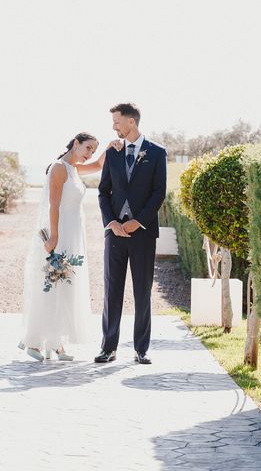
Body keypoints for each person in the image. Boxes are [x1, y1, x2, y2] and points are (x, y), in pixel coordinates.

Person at [18, 132, 121, 361]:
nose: (90, 154)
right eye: (87, 148)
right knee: (53, 284)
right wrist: (54, 236)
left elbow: (96, 165)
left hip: (75, 234)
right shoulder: (59, 168)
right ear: (76, 144)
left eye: (93, 149)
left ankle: (56, 343)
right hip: (61, 233)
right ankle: (34, 341)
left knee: (66, 286)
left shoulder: (74, 168)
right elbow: (53, 205)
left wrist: (109, 148)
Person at [96, 103, 167, 365]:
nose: (114, 127)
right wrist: (111, 222)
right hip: (115, 233)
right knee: (112, 290)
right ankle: (108, 347)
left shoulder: (157, 152)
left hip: (143, 233)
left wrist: (138, 221)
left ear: (131, 122)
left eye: (116, 121)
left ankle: (141, 349)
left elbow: (158, 192)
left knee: (142, 292)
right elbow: (103, 192)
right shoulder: (112, 152)